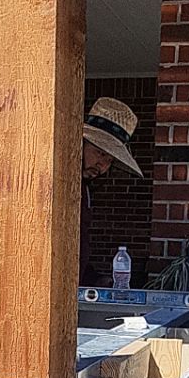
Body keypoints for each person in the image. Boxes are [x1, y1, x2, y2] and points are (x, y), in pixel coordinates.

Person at [80, 96, 143, 286]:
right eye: (100, 153)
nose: (103, 165)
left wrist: (95, 279)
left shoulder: (84, 190)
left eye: (110, 160)